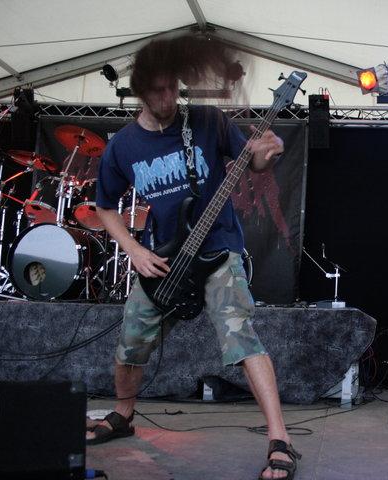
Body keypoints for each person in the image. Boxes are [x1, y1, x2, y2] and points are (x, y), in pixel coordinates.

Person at [87, 35, 301, 480]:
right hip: (163, 259)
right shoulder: (123, 146)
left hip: (219, 249)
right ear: (140, 92)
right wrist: (134, 250)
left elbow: (252, 162)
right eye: (158, 91)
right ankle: (123, 414)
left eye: (172, 88)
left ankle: (280, 439)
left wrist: (267, 155)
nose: (168, 99)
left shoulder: (206, 120)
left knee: (242, 337)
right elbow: (104, 207)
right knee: (130, 345)